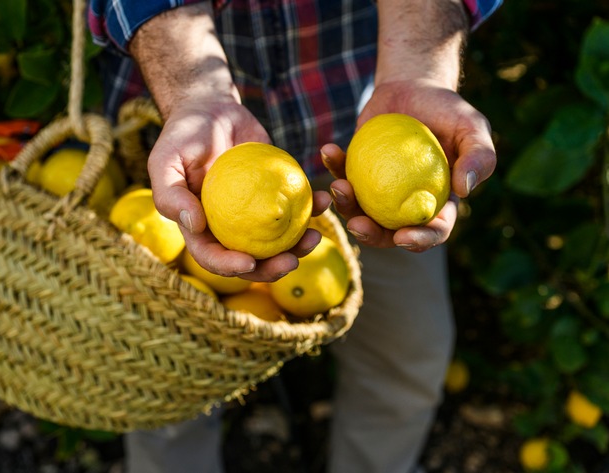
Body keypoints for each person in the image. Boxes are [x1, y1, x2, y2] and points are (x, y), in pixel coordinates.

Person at [88, 1, 502, 472]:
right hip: (194, 160)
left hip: (367, 152)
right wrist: (192, 91)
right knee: (163, 380)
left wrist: (419, 67)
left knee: (405, 358)